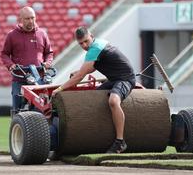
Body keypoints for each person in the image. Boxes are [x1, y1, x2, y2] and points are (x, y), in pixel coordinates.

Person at [52, 26, 136, 154]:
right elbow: (92, 67)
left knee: (113, 101)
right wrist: (79, 72)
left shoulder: (94, 48)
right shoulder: (98, 44)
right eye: (81, 43)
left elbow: (80, 76)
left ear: (91, 35)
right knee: (94, 97)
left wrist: (60, 88)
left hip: (125, 79)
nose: (84, 45)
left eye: (86, 41)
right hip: (114, 79)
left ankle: (120, 142)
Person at [0, 6, 54, 111]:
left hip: (40, 80)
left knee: (46, 109)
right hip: (19, 79)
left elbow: (49, 53)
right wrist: (10, 65)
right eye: (27, 18)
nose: (31, 21)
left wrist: (48, 62)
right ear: (20, 19)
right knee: (18, 110)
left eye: (32, 18)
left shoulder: (42, 34)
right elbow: (4, 54)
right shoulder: (12, 35)